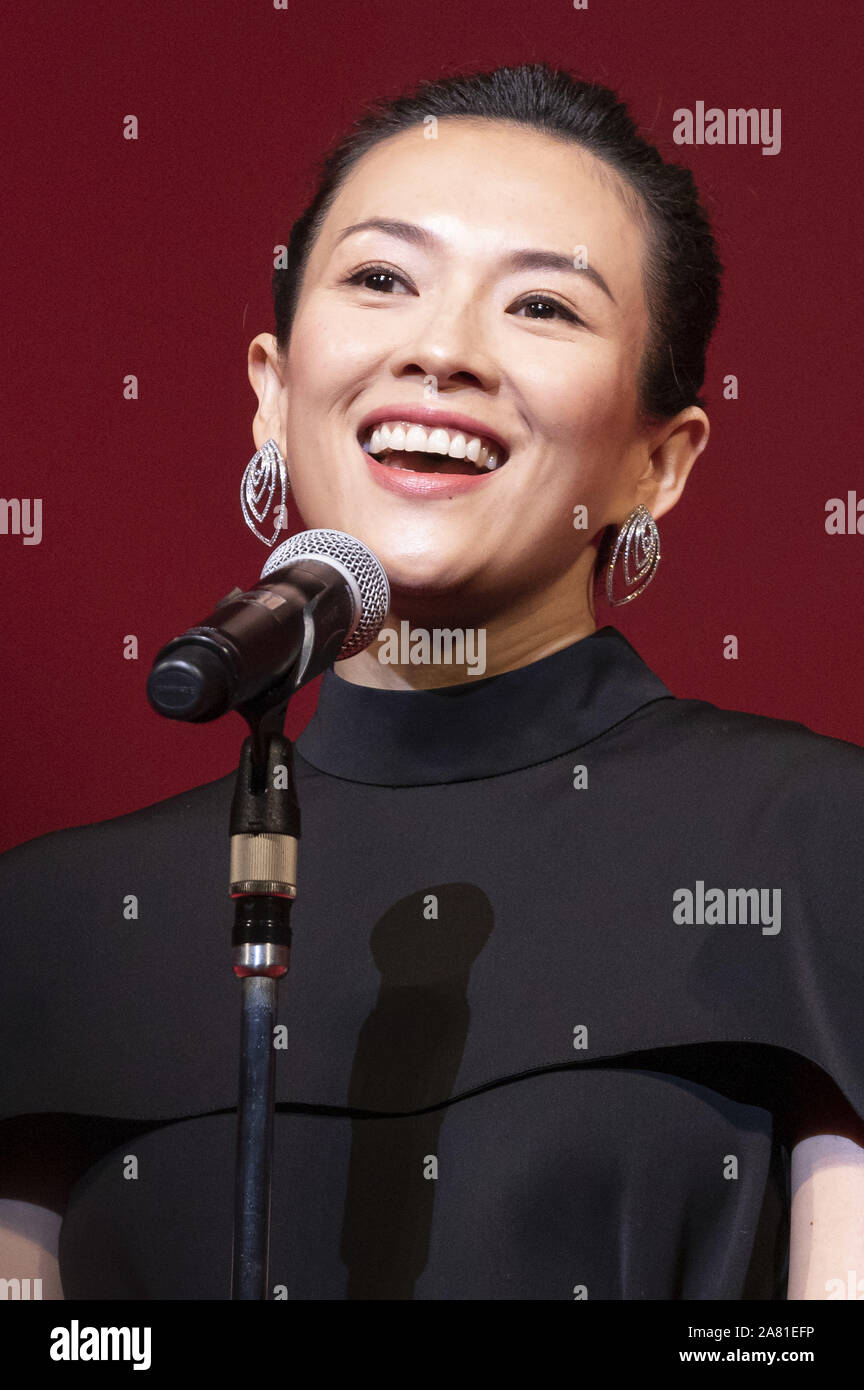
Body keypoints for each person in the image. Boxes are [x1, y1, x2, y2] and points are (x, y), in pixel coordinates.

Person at [1, 62, 863, 1301]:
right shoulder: (58, 923)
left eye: (545, 308)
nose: (441, 351)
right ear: (272, 391)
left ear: (657, 466)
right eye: (381, 280)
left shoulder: (813, 848)